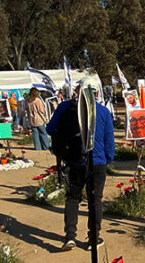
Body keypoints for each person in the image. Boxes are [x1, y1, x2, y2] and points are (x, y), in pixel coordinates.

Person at [47, 76, 115, 251]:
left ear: (79, 90)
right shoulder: (103, 111)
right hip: (97, 162)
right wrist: (108, 158)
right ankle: (94, 238)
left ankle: (70, 236)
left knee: (72, 199)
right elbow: (109, 139)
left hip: (74, 160)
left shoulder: (65, 108)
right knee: (95, 200)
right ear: (96, 91)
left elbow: (49, 129)